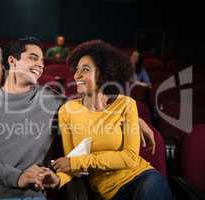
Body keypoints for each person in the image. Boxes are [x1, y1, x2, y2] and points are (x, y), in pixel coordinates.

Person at [0, 37, 156, 199]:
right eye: (33, 58)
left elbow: (94, 108)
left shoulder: (53, 102)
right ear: (12, 61)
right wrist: (18, 177)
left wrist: (136, 119)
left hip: (30, 195)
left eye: (42, 61)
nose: (40, 64)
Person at [43, 40, 172, 200]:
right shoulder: (67, 111)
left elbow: (130, 158)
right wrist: (58, 180)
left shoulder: (126, 104)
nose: (76, 76)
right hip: (109, 193)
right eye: (76, 70)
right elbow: (73, 163)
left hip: (142, 178)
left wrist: (77, 162)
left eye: (85, 69)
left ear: (103, 74)